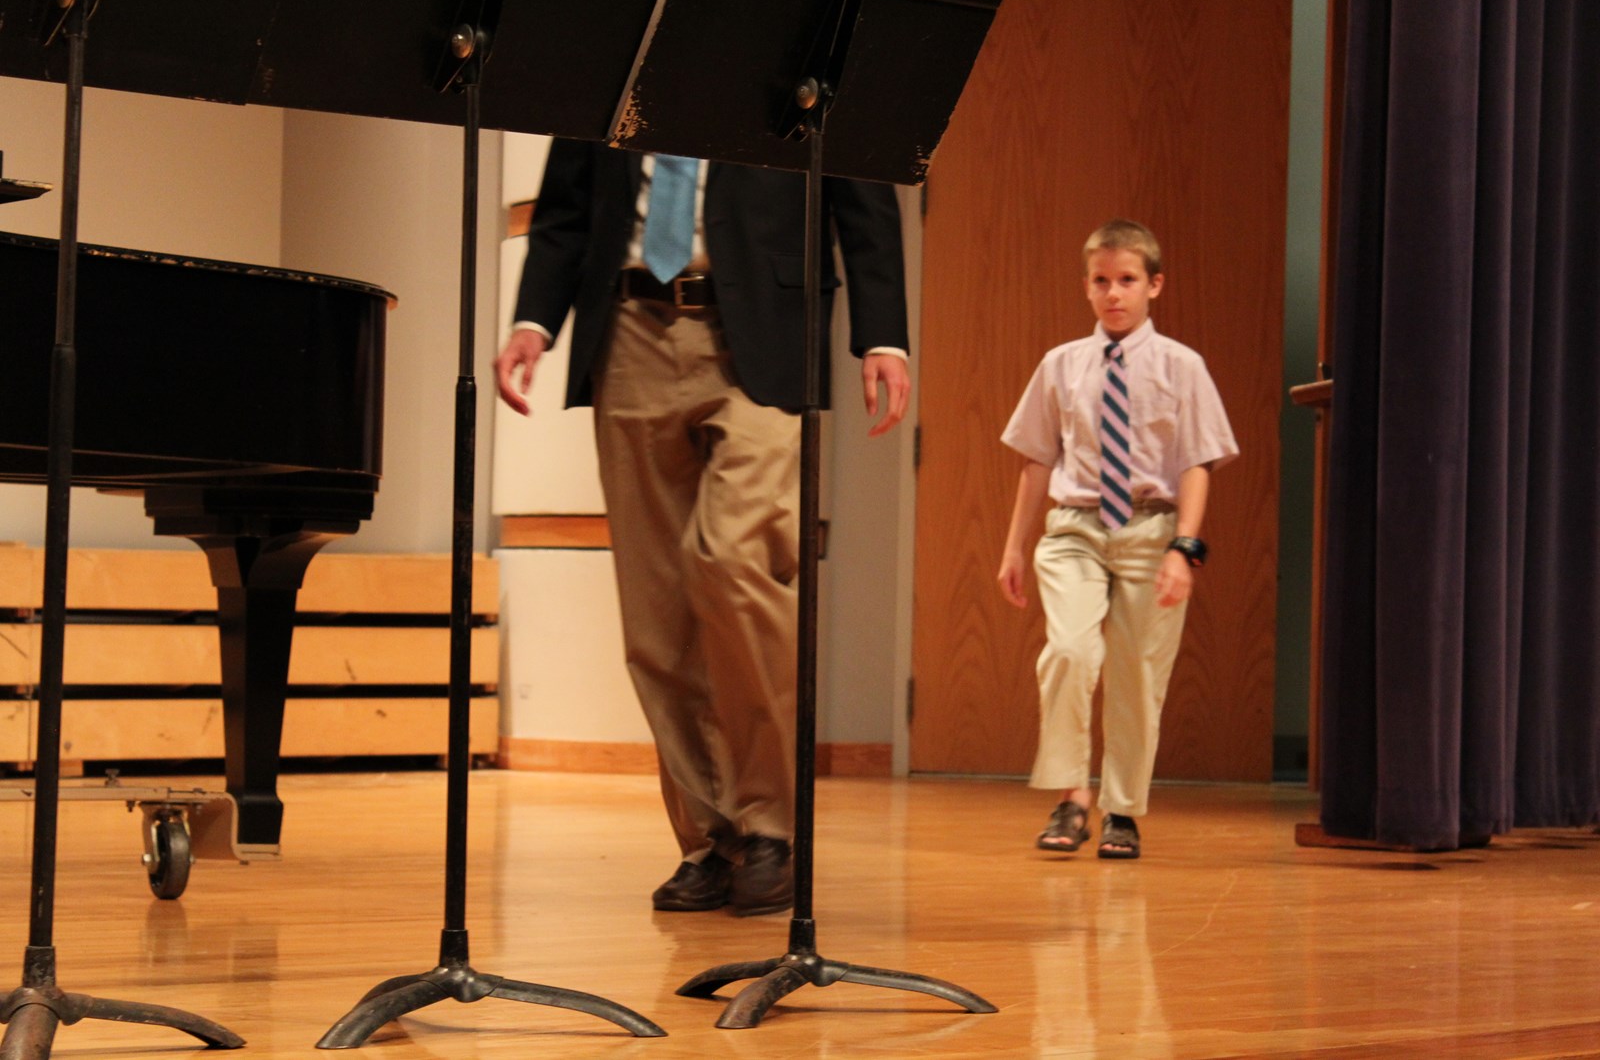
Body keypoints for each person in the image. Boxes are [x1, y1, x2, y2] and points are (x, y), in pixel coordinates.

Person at [495, 139, 911, 914]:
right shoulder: (614, 62)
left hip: (761, 331)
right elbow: (566, 205)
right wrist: (534, 318)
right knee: (658, 615)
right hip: (629, 328)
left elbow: (861, 186)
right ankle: (711, 840)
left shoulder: (799, 55)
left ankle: (772, 826)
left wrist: (881, 332)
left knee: (733, 562)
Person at [996, 219, 1236, 860]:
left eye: (1127, 279)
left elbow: (1198, 462)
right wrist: (1014, 546)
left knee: (1137, 674)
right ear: (1086, 286)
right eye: (1101, 281)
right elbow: (1037, 459)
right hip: (1075, 526)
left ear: (1154, 285)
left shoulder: (1182, 367)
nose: (1113, 293)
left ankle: (1122, 809)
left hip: (1149, 528)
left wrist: (1184, 547)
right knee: (1070, 652)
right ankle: (1072, 796)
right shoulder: (1061, 365)